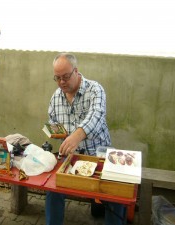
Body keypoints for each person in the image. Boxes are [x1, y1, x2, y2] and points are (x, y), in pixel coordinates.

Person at [45, 53, 126, 225]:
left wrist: (76, 135)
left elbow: (97, 115)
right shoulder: (55, 98)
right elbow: (53, 121)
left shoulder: (95, 89)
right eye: (57, 78)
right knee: (53, 189)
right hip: (70, 159)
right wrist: (56, 133)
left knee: (117, 193)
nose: (61, 82)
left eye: (65, 77)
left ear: (76, 71)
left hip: (98, 157)